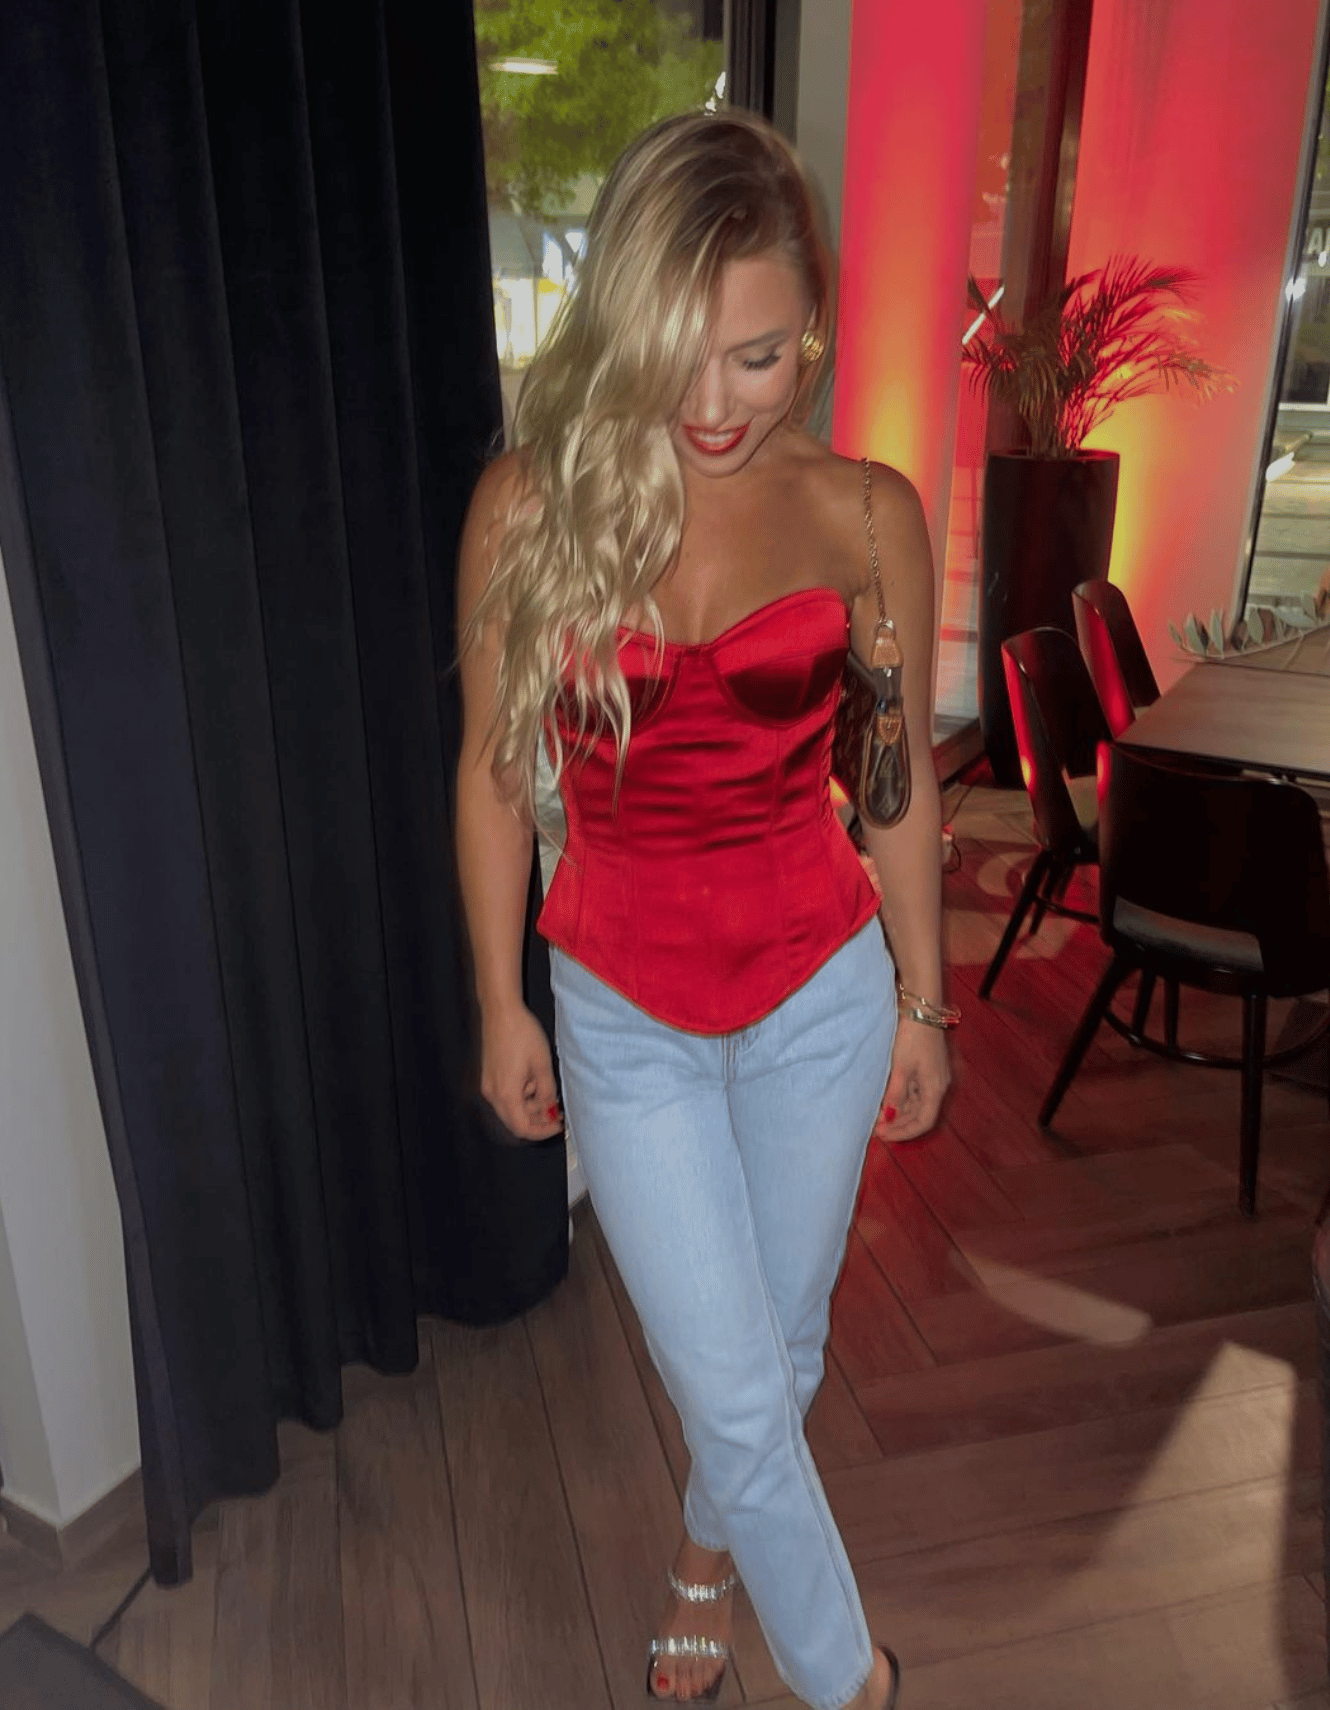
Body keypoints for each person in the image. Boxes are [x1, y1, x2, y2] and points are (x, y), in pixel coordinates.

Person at [455, 110, 950, 1710]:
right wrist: (500, 1002)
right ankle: (850, 1679)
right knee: (734, 1385)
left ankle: (704, 1556)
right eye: (682, 353)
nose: (717, 402)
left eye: (758, 355)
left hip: (823, 992)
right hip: (626, 1008)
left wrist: (926, 999)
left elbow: (893, 783)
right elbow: (491, 775)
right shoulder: (527, 506)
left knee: (780, 1344)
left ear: (813, 325)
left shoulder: (866, 512)